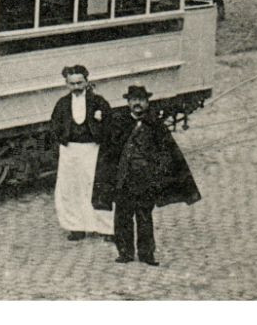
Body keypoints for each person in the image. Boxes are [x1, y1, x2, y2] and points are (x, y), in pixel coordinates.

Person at [96, 84, 201, 266]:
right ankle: (125, 252)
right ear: (128, 102)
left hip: (145, 180)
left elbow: (168, 153)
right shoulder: (119, 124)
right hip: (124, 179)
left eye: (142, 100)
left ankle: (146, 254)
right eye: (134, 100)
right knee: (123, 217)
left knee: (144, 217)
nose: (138, 104)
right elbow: (109, 153)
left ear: (147, 102)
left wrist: (157, 173)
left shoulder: (155, 125)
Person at [48, 64, 113, 240]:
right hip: (70, 150)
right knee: (70, 188)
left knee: (95, 186)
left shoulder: (98, 102)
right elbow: (54, 126)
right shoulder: (62, 104)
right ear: (66, 84)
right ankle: (76, 226)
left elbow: (110, 125)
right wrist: (62, 140)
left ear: (86, 81)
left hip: (92, 149)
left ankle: (105, 228)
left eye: (79, 83)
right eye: (72, 84)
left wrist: (101, 139)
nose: (76, 87)